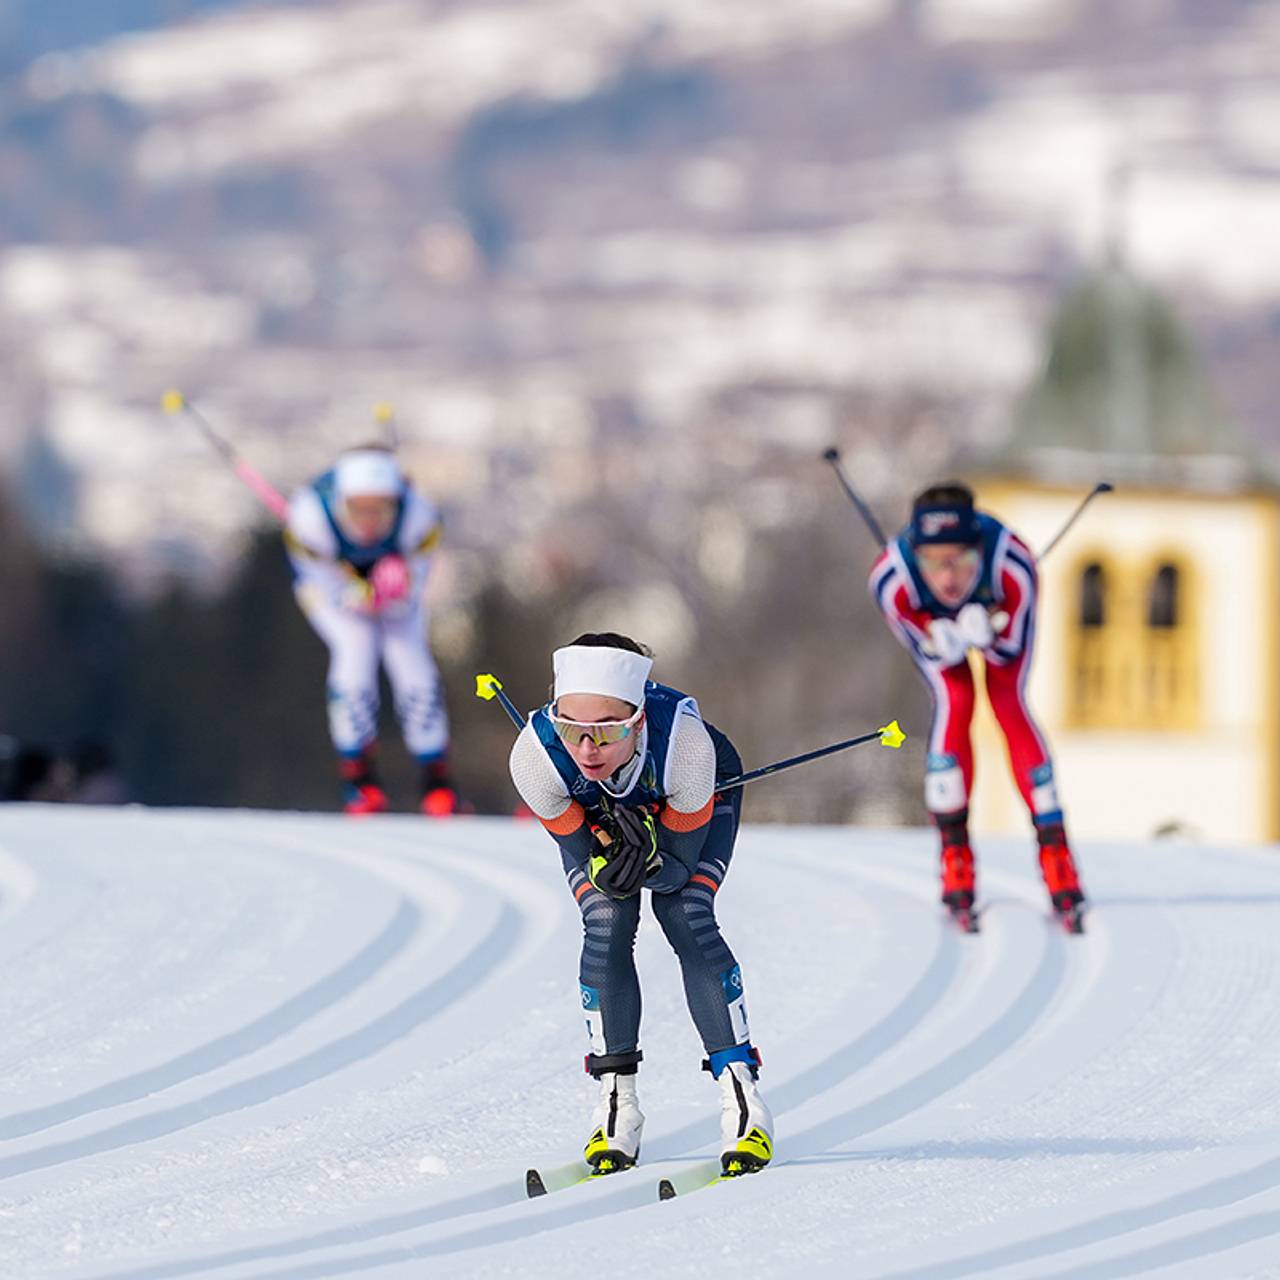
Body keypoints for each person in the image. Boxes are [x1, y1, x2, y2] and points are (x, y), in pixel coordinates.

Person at [508, 633, 772, 1176]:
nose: (587, 749)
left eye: (605, 731)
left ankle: (745, 1103)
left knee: (684, 912)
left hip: (696, 795)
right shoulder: (535, 760)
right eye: (572, 730)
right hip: (609, 816)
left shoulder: (686, 748)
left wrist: (651, 849)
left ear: (639, 721)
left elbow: (674, 868)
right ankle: (617, 1107)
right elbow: (586, 853)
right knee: (606, 918)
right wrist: (610, 851)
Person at [869, 482, 1085, 921]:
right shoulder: (892, 580)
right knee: (956, 696)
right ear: (917, 555)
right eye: (934, 563)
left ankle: (1055, 852)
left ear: (979, 554)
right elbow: (922, 645)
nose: (948, 578)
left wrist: (989, 632)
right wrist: (935, 635)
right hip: (937, 630)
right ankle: (955, 856)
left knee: (1006, 701)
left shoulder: (1014, 568)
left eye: (961, 562)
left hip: (999, 615)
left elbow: (1009, 654)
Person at [284, 445, 460, 815]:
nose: (368, 520)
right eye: (358, 509)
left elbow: (418, 576)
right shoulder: (309, 517)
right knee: (355, 649)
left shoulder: (419, 516)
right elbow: (316, 580)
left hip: (396, 596)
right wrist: (351, 590)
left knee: (409, 657)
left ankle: (436, 779)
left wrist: (396, 587)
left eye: (380, 509)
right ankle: (359, 779)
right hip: (329, 592)